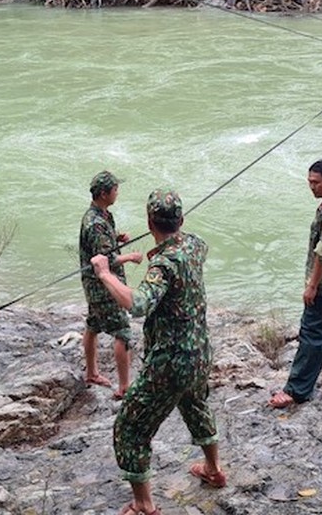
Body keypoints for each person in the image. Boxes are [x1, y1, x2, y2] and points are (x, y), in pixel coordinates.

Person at [91, 189, 224, 515]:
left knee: (130, 428)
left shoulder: (163, 265)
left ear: (150, 221)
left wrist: (105, 273)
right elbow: (192, 242)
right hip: (199, 352)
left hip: (170, 361)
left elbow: (137, 303)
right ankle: (213, 470)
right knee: (194, 404)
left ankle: (143, 505)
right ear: (181, 220)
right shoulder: (193, 245)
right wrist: (169, 233)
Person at [270, 159, 322, 409]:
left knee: (313, 334)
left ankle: (297, 390)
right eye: (309, 182)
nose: (312, 187)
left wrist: (312, 285)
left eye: (317, 183)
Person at [80, 170, 143, 398]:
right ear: (104, 194)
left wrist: (117, 238)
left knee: (93, 324)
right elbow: (103, 260)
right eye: (115, 189)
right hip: (103, 287)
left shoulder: (102, 215)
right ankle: (124, 386)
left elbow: (102, 245)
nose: (118, 192)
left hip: (94, 286)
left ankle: (92, 373)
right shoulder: (95, 223)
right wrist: (131, 257)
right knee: (122, 332)